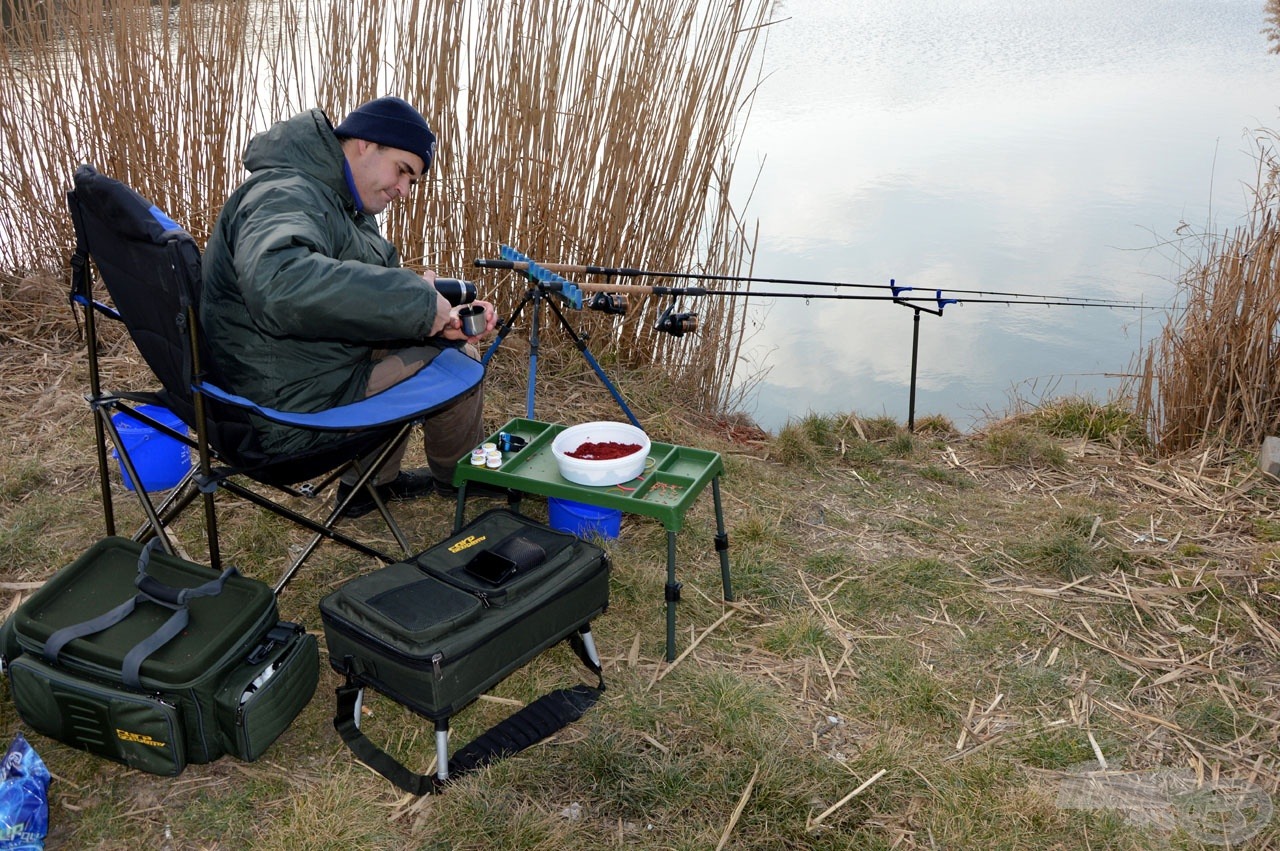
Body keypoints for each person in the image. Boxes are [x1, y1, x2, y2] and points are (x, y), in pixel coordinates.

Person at [201, 96, 498, 517]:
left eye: (412, 182)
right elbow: (281, 284)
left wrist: (433, 322)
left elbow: (348, 296)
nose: (403, 191)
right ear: (364, 144)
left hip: (298, 369)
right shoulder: (286, 193)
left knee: (439, 343)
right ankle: (461, 481)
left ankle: (369, 488)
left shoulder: (336, 199)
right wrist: (414, 302)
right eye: (402, 171)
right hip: (285, 410)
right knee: (459, 361)